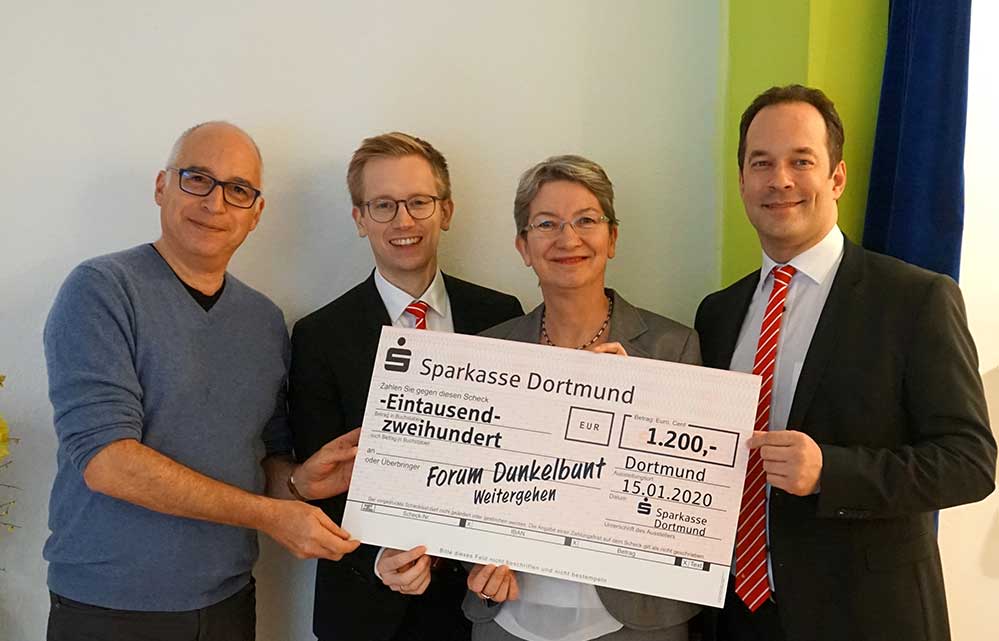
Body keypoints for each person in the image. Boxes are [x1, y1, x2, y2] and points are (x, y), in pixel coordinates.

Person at [694, 85, 996, 641]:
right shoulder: (717, 312)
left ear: (836, 178)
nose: (779, 180)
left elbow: (970, 463)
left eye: (800, 161)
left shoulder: (915, 299)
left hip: (867, 617)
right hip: (734, 617)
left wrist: (830, 473)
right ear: (742, 182)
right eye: (761, 163)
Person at [43, 121, 361, 641]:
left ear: (256, 213)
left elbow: (263, 459)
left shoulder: (264, 321)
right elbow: (108, 463)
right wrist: (270, 516)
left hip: (228, 601)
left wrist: (299, 484)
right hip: (110, 606)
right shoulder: (101, 290)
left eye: (238, 190)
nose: (215, 204)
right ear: (161, 186)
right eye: (197, 178)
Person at [288, 131, 523, 641]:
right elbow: (318, 480)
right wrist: (376, 560)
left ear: (446, 210)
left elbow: (521, 454)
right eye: (383, 205)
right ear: (359, 218)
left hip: (479, 606)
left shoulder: (501, 315)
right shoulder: (319, 336)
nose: (404, 221)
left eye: (419, 202)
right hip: (366, 608)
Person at [461, 154, 702, 641]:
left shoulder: (673, 346)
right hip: (511, 613)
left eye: (586, 220)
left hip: (637, 617)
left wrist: (634, 410)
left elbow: (690, 495)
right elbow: (462, 487)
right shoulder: (487, 351)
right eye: (547, 224)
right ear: (523, 246)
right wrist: (475, 557)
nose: (568, 238)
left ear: (612, 238)